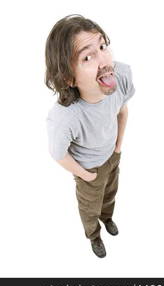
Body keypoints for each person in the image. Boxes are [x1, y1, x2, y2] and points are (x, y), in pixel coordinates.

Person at [45, 14, 135, 258]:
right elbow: (57, 153)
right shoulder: (65, 118)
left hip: (112, 156)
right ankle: (94, 235)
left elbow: (122, 111)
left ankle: (108, 218)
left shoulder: (119, 77)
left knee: (110, 194)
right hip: (88, 170)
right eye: (88, 56)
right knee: (89, 206)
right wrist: (85, 174)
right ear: (68, 78)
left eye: (103, 46)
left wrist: (118, 148)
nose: (104, 60)